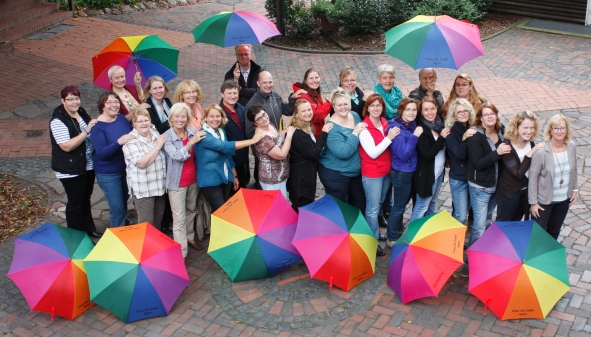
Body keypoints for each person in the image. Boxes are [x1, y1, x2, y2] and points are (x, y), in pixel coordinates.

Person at [49, 85, 102, 238]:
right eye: (70, 99)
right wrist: (86, 131)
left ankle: (89, 228)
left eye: (76, 98)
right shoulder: (58, 120)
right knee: (75, 202)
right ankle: (76, 237)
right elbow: (66, 146)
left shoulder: (80, 111)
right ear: (62, 101)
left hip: (86, 164)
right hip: (70, 168)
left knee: (86, 198)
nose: (74, 102)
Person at [195, 104, 263, 211]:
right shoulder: (203, 135)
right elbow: (225, 146)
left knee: (225, 209)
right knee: (220, 211)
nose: (215, 119)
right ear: (205, 118)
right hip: (210, 181)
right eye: (211, 116)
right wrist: (252, 141)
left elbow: (227, 154)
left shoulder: (221, 131)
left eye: (218, 116)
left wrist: (234, 176)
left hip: (225, 177)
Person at [465, 102, 511, 250]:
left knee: (487, 221)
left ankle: (482, 253)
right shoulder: (475, 135)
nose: (490, 117)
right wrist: (497, 153)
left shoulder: (500, 131)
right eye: (486, 114)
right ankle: (470, 261)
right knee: (479, 226)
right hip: (481, 187)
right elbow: (478, 163)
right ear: (480, 118)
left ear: (496, 115)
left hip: (496, 185)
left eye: (492, 113)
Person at [163, 103, 206, 257]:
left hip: (193, 179)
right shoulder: (167, 137)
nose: (180, 119)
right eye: (177, 116)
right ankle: (181, 252)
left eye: (183, 116)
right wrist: (191, 142)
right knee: (179, 217)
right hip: (177, 183)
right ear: (171, 118)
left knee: (191, 210)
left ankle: (189, 237)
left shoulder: (191, 131)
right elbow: (176, 156)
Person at [359, 94, 400, 256]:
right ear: (367, 108)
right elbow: (373, 153)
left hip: (386, 171)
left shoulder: (384, 122)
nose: (376, 108)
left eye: (379, 105)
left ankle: (374, 234)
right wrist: (389, 138)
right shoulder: (364, 128)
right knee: (372, 208)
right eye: (372, 105)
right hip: (372, 174)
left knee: (380, 203)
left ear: (383, 108)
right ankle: (372, 241)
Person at [245, 71, 300, 187]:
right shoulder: (252, 104)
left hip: (278, 142)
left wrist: (292, 99)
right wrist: (261, 153)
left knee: (280, 175)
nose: (268, 85)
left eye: (270, 82)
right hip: (266, 150)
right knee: (265, 178)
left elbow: (287, 110)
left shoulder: (275, 95)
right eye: (264, 82)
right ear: (258, 83)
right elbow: (250, 133)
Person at [529, 114, 578, 240]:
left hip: (563, 200)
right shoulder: (541, 152)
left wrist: (575, 189)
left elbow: (574, 169)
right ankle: (534, 259)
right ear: (550, 130)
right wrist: (533, 202)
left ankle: (549, 258)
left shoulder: (571, 146)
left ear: (567, 130)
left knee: (554, 232)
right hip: (543, 202)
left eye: (562, 128)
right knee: (537, 235)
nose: (559, 131)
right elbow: (533, 178)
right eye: (555, 128)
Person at [318, 88, 367, 213]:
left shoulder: (355, 116)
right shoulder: (331, 127)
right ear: (333, 107)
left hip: (354, 172)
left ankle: (355, 231)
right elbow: (343, 152)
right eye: (339, 105)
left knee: (359, 203)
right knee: (338, 209)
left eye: (346, 104)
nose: (343, 107)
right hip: (336, 174)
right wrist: (355, 132)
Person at [90, 91, 134, 228]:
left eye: (116, 102)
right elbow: (102, 153)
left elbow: (132, 133)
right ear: (102, 106)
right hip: (108, 173)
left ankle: (123, 222)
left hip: (125, 168)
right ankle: (117, 235)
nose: (114, 105)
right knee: (117, 205)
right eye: (109, 102)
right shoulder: (97, 127)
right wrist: (118, 142)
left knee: (124, 199)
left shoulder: (121, 118)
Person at [386, 98, 423, 247]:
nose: (412, 113)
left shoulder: (410, 124)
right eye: (408, 110)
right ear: (401, 111)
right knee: (399, 206)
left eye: (414, 109)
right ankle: (391, 237)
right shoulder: (397, 130)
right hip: (401, 173)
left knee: (403, 202)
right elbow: (404, 154)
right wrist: (415, 136)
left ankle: (399, 228)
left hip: (409, 170)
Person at [122, 109, 168, 229]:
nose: (144, 123)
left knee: (158, 219)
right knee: (146, 223)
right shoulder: (130, 141)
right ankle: (145, 247)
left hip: (159, 186)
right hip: (144, 189)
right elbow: (142, 163)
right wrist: (157, 147)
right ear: (134, 123)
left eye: (146, 120)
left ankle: (156, 245)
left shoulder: (154, 133)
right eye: (140, 121)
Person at [496, 111, 545, 221]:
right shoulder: (507, 146)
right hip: (509, 194)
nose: (529, 131)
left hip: (524, 192)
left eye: (532, 128)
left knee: (516, 223)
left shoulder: (529, 142)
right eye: (525, 128)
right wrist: (531, 153)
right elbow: (518, 173)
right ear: (516, 127)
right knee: (503, 225)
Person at [409, 97, 450, 222]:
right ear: (421, 112)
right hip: (426, 175)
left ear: (437, 109)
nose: (430, 112)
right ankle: (411, 236)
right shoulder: (421, 129)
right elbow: (427, 154)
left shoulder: (439, 124)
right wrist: (442, 138)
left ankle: (426, 232)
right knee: (421, 207)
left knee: (432, 203)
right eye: (426, 110)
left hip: (438, 173)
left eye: (432, 108)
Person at [287, 100, 332, 208]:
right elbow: (313, 152)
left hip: (306, 175)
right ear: (297, 114)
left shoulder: (306, 125)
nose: (308, 113)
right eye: (304, 111)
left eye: (309, 109)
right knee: (303, 206)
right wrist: (324, 133)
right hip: (301, 179)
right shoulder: (298, 133)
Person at [247, 104, 295, 199]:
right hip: (272, 180)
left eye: (264, 114)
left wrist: (286, 130)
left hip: (279, 176)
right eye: (259, 118)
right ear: (255, 123)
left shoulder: (269, 124)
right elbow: (282, 155)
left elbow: (278, 136)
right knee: (280, 207)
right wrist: (289, 135)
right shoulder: (263, 139)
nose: (264, 119)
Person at [444, 98, 476, 224]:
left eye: (465, 111)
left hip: (472, 178)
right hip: (459, 179)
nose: (463, 114)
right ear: (454, 115)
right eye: (459, 112)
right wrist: (463, 139)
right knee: (461, 216)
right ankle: (455, 243)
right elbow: (460, 155)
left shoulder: (473, 128)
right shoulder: (451, 134)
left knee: (466, 210)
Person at [219, 80, 250, 189]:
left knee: (245, 183)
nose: (232, 96)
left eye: (235, 93)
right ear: (222, 94)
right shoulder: (218, 114)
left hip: (244, 158)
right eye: (229, 93)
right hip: (230, 161)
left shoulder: (242, 108)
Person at [293, 68, 332, 138]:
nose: (314, 80)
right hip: (313, 134)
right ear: (306, 81)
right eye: (311, 78)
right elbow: (316, 116)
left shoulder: (313, 91)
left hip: (316, 131)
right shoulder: (303, 96)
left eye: (316, 77)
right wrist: (329, 103)